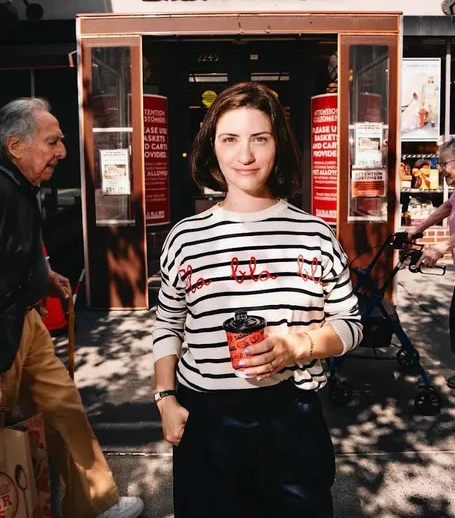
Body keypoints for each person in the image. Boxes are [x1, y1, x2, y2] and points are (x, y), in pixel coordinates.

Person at [153, 82, 363, 517]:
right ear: (211, 148)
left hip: (291, 415)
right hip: (206, 418)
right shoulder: (185, 237)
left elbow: (350, 323)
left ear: (278, 145)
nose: (244, 155)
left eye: (259, 138)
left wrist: (296, 346)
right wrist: (166, 398)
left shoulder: (314, 236)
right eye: (230, 139)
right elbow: (168, 324)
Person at [0, 98, 144, 518]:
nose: (62, 151)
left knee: (64, 407)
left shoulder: (19, 185)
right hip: (4, 331)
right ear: (15, 145)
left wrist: (41, 276)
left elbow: (15, 250)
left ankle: (95, 503)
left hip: (26, 322)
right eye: (53, 141)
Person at [406, 137, 455, 413]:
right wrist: (420, 227)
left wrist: (442, 246)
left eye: (443, 163)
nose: (440, 169)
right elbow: (447, 208)